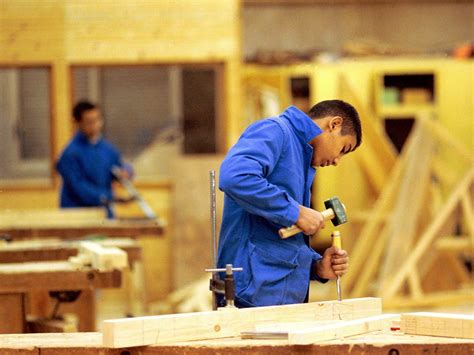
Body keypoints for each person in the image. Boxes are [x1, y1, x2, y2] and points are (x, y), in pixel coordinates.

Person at [217, 100, 362, 307]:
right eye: (343, 149)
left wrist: (317, 266)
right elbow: (235, 176)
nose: (338, 160)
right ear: (334, 124)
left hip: (280, 301)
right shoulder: (275, 132)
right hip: (250, 298)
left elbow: (275, 239)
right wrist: (296, 212)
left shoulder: (302, 157)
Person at [56, 100, 133, 218]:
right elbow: (79, 188)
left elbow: (119, 166)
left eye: (98, 120)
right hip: (77, 215)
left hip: (103, 214)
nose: (96, 125)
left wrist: (126, 172)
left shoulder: (106, 148)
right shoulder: (70, 154)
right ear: (78, 123)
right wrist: (108, 197)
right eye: (90, 122)